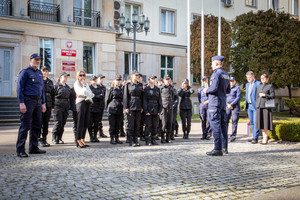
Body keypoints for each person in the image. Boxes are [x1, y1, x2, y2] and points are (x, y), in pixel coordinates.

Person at [16, 53, 46, 158]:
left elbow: (42, 89)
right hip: (28, 101)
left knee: (37, 125)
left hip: (38, 102)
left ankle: (33, 147)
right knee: (25, 126)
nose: (37, 61)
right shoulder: (25, 72)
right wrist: (21, 103)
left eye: (39, 60)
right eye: (35, 59)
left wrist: (43, 103)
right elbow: (19, 88)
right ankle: (20, 149)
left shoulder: (39, 73)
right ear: (30, 60)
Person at [204, 56, 230, 156]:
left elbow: (213, 88)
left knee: (215, 126)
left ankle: (217, 148)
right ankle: (224, 148)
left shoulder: (216, 73)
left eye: (212, 64)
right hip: (223, 103)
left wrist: (206, 90)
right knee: (223, 126)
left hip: (214, 103)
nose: (211, 66)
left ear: (215, 64)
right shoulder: (226, 74)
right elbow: (228, 90)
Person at [74, 70, 94, 148]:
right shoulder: (76, 84)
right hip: (80, 103)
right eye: (80, 75)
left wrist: (85, 90)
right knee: (80, 121)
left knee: (86, 122)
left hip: (87, 102)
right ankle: (78, 139)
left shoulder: (86, 84)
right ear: (78, 76)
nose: (82, 77)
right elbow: (81, 92)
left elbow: (91, 94)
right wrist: (84, 88)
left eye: (83, 75)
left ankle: (82, 138)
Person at [123, 71, 144, 147]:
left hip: (138, 106)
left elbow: (142, 97)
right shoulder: (128, 85)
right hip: (131, 106)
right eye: (135, 75)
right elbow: (125, 97)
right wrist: (126, 107)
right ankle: (131, 140)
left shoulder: (140, 85)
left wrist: (142, 107)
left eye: (138, 75)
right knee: (130, 125)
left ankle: (136, 140)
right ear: (132, 76)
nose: (137, 76)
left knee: (137, 124)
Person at [52, 72, 71, 144]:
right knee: (58, 122)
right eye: (64, 77)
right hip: (57, 106)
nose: (66, 78)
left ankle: (59, 138)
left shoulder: (67, 87)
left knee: (63, 123)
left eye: (67, 77)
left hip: (65, 106)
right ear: (60, 78)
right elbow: (52, 96)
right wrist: (52, 106)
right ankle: (54, 137)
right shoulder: (56, 86)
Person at [256, 74, 275, 145]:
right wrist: (256, 105)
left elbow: (273, 96)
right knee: (261, 123)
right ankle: (264, 137)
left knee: (266, 123)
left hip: (266, 107)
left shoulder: (270, 86)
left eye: (264, 78)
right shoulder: (259, 86)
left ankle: (265, 138)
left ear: (267, 79)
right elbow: (256, 97)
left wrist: (265, 95)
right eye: (261, 78)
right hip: (259, 106)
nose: (263, 79)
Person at [143, 75, 162, 146]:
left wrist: (160, 110)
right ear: (149, 80)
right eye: (152, 79)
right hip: (149, 108)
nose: (153, 80)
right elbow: (144, 100)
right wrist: (146, 110)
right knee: (148, 125)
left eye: (154, 79)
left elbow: (159, 100)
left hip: (156, 109)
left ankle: (153, 139)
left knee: (155, 125)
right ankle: (147, 140)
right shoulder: (146, 89)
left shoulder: (157, 89)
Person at [39, 66, 54, 147]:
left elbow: (53, 94)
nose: (45, 72)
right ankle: (38, 138)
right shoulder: (39, 80)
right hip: (40, 103)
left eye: (46, 71)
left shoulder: (50, 82)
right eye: (43, 71)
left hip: (48, 104)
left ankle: (44, 138)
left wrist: (53, 105)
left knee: (46, 123)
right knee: (39, 122)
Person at [106, 74, 124, 145]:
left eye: (119, 80)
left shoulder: (122, 89)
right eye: (117, 80)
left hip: (119, 108)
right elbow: (107, 99)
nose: (118, 82)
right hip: (112, 108)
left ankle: (117, 138)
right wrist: (108, 108)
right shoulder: (111, 89)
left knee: (118, 124)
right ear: (114, 80)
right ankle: (111, 138)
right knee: (112, 125)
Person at [245, 71, 261, 144]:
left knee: (255, 122)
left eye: (249, 78)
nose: (248, 79)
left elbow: (259, 96)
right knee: (251, 122)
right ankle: (253, 136)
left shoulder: (258, 84)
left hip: (255, 106)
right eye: (247, 78)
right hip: (249, 105)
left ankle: (255, 137)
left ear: (253, 77)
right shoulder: (247, 85)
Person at [160, 74, 174, 143]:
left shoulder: (171, 87)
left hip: (170, 106)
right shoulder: (161, 87)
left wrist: (172, 104)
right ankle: (162, 137)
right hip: (163, 107)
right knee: (164, 123)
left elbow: (173, 97)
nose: (168, 81)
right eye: (166, 79)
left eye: (168, 79)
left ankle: (168, 137)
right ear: (164, 80)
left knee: (169, 123)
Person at [226, 77, 241, 142]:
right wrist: (227, 104)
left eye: (233, 81)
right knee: (225, 121)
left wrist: (232, 104)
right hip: (227, 106)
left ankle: (233, 136)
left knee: (234, 121)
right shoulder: (226, 88)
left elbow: (238, 97)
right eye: (230, 81)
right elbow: (224, 97)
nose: (231, 82)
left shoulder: (237, 88)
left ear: (235, 82)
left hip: (235, 106)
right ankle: (225, 135)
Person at [88, 75, 101, 143]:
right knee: (90, 123)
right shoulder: (89, 88)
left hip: (98, 107)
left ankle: (95, 136)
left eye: (95, 80)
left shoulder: (99, 88)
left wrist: (96, 97)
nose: (95, 81)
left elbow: (102, 96)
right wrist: (97, 96)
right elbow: (90, 97)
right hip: (91, 107)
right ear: (90, 81)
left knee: (96, 123)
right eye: (93, 80)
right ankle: (91, 137)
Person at [96, 74, 107, 138]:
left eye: (102, 78)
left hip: (101, 104)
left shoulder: (103, 87)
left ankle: (100, 132)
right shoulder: (95, 86)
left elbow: (103, 96)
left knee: (100, 119)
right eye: (100, 78)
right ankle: (95, 132)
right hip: (96, 105)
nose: (101, 80)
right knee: (96, 120)